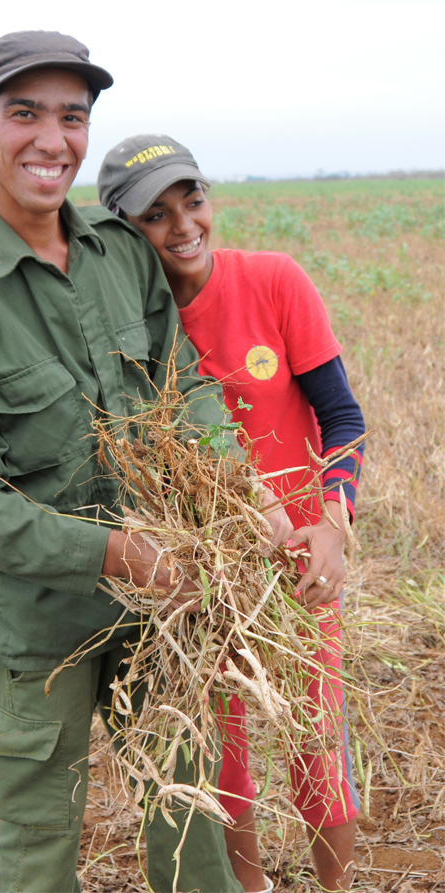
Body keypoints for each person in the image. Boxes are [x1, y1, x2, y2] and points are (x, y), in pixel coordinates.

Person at [0, 35, 257, 893]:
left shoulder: (122, 256)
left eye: (72, 117)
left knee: (192, 826)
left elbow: (181, 379)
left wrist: (229, 474)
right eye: (25, 114)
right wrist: (114, 554)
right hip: (42, 626)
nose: (52, 139)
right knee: (43, 852)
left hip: (163, 614)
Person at [98, 134, 366, 893]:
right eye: (157, 214)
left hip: (300, 568)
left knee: (318, 742)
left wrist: (333, 525)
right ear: (124, 229)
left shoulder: (274, 281)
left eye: (194, 200)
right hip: (202, 575)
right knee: (228, 758)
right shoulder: (137, 335)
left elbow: (343, 419)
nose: (184, 224)